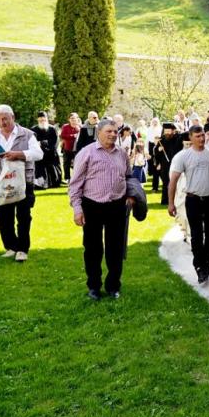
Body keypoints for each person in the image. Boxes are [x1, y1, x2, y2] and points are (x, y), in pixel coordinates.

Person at [69, 118, 134, 300]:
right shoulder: (86, 153)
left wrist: (130, 195)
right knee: (93, 249)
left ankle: (113, 286)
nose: (113, 134)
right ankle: (94, 286)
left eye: (115, 131)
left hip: (117, 206)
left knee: (116, 249)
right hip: (92, 206)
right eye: (109, 131)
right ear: (99, 133)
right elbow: (75, 184)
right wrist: (77, 209)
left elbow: (128, 177)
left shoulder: (122, 153)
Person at [0, 104, 43, 262]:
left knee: (23, 216)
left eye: (5, 119)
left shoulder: (27, 134)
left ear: (12, 117)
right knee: (4, 217)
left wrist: (19, 154)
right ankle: (11, 247)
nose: (2, 123)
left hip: (23, 181)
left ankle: (22, 249)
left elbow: (38, 154)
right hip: (1, 181)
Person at [168, 126, 209, 284]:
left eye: (202, 135)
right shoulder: (183, 156)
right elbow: (173, 181)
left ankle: (208, 261)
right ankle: (199, 266)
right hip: (193, 199)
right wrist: (171, 203)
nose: (201, 139)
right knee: (196, 235)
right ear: (190, 138)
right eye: (197, 136)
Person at [31, 111, 61, 189]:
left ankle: (53, 183)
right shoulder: (34, 129)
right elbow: (32, 142)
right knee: (39, 169)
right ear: (38, 119)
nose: (42, 120)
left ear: (47, 119)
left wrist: (46, 146)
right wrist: (41, 146)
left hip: (51, 153)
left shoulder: (52, 129)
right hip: (39, 154)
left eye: (44, 119)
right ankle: (41, 183)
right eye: (40, 119)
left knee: (53, 170)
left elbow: (55, 142)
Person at [154, 123, 183, 205]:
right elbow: (156, 153)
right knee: (166, 182)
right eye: (165, 131)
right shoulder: (161, 141)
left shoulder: (178, 139)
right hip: (165, 165)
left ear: (173, 131)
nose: (166, 133)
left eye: (168, 131)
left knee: (177, 182)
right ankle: (165, 200)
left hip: (176, 164)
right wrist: (158, 150)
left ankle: (177, 199)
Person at [60, 112, 81, 182]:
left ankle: (76, 178)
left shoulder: (80, 127)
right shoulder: (65, 126)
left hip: (77, 149)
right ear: (69, 119)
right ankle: (67, 178)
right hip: (67, 148)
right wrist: (72, 136)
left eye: (75, 118)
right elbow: (62, 136)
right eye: (72, 118)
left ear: (77, 119)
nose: (73, 120)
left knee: (77, 164)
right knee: (66, 164)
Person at [145, 118, 162, 192]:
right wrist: (146, 152)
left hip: (159, 147)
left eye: (156, 122)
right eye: (153, 122)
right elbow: (147, 141)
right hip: (151, 147)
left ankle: (165, 186)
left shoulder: (160, 129)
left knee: (160, 171)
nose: (155, 123)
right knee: (154, 170)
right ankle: (154, 187)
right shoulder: (149, 129)